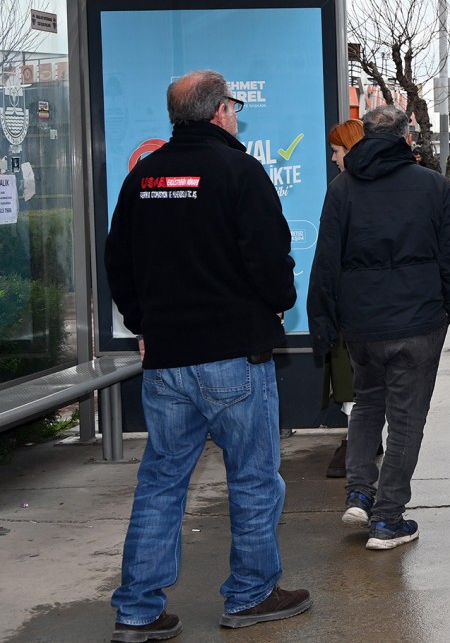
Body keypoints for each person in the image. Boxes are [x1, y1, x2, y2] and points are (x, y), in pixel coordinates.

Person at [104, 69, 310, 641]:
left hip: (166, 362)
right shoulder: (239, 170)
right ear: (221, 111)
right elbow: (270, 256)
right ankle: (250, 595)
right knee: (252, 478)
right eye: (234, 106)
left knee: (162, 482)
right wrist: (277, 303)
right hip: (234, 358)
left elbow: (118, 261)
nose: (236, 114)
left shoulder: (142, 178)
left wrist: (144, 323)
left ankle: (138, 610)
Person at [308, 105, 450, 551]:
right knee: (406, 421)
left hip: (362, 326)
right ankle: (388, 519)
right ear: (406, 138)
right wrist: (447, 308)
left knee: (366, 404)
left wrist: (325, 321)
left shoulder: (342, 188)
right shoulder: (432, 185)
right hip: (419, 322)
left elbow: (326, 261)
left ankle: (360, 492)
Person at [320, 119, 365, 478]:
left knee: (352, 375)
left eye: (337, 151)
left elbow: (330, 256)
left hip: (354, 308)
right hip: (388, 309)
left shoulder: (343, 190)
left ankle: (357, 445)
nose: (334, 159)